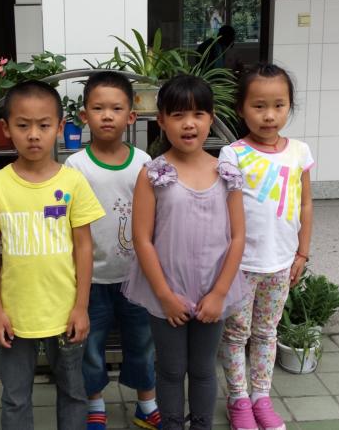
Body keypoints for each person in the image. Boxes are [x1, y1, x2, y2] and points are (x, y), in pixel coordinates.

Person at [0, 80, 106, 430]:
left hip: (65, 312)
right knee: (15, 397)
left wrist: (81, 307)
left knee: (73, 392)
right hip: (15, 316)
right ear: (6, 128)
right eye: (23, 125)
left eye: (44, 125)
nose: (33, 135)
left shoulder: (73, 183)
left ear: (59, 128)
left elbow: (84, 246)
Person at [122, 74, 248, 430]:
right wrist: (165, 295)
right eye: (177, 115)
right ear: (162, 120)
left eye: (197, 114)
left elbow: (238, 236)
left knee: (204, 368)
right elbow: (142, 239)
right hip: (166, 291)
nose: (188, 123)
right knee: (171, 368)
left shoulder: (226, 172)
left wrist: (219, 293)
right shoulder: (153, 174)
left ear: (211, 118)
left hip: (213, 289)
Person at [218, 63, 314, 430]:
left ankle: (261, 397)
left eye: (279, 105)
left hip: (281, 263)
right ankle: (238, 399)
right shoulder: (233, 154)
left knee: (266, 333)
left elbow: (306, 204)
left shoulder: (300, 152)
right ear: (241, 109)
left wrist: (302, 253)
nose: (269, 115)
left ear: (290, 106)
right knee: (236, 334)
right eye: (259, 106)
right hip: (241, 265)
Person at [64, 72, 159, 430]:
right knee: (90, 346)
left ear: (131, 116)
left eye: (116, 108)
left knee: (143, 341)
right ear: (84, 115)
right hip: (90, 279)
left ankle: (146, 403)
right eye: (98, 108)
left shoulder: (143, 162)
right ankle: (95, 403)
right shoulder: (75, 166)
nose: (107, 115)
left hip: (136, 275)